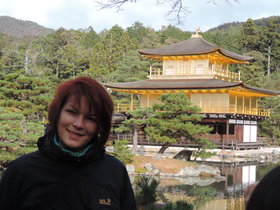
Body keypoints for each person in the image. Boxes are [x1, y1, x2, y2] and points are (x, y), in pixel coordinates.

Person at [0, 76, 137, 210]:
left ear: (99, 125)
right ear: (57, 113)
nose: (78, 124)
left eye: (90, 118)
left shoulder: (114, 171)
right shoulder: (21, 171)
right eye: (71, 112)